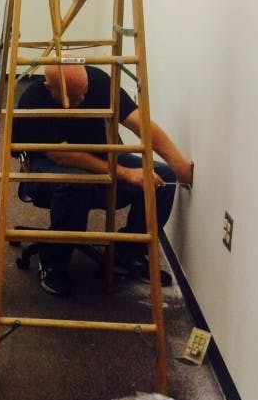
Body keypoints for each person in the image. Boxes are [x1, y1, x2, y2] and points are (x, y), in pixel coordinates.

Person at [12, 59, 194, 297]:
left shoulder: (99, 81)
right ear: (50, 87)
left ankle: (128, 254)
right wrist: (125, 173)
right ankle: (53, 262)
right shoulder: (32, 100)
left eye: (84, 92)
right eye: (74, 97)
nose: (82, 100)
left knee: (163, 176)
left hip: (98, 158)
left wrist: (179, 165)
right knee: (76, 184)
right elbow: (62, 155)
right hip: (50, 167)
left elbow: (140, 123)